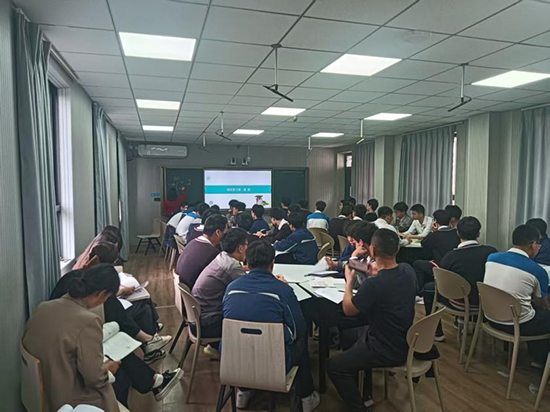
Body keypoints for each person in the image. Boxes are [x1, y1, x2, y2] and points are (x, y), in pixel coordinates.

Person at [223, 241, 320, 411]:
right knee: (301, 342)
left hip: (234, 360)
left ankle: (243, 391)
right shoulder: (283, 291)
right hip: (275, 362)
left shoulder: (231, 287)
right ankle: (306, 397)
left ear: (247, 263)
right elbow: (298, 329)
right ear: (272, 264)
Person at [328, 229, 416, 411]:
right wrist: (353, 260)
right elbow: (374, 270)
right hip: (405, 339)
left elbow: (348, 310)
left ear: (373, 251)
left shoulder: (374, 285)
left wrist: (349, 281)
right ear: (398, 249)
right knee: (347, 335)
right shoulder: (408, 270)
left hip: (385, 347)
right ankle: (364, 388)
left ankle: (358, 407)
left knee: (334, 366)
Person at [484, 224, 550, 366]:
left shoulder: (491, 258)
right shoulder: (537, 271)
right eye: (539, 245)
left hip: (490, 317)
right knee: (542, 314)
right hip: (517, 325)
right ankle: (541, 360)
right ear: (533, 245)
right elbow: (542, 304)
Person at [423, 216, 497, 341]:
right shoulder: (491, 252)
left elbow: (443, 282)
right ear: (478, 233)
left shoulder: (451, 256)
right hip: (485, 303)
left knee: (430, 288)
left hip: (459, 303)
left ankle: (437, 333)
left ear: (458, 233)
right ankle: (462, 321)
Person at [192, 228, 248, 356]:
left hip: (199, 317)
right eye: (246, 245)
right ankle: (233, 354)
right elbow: (250, 288)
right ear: (240, 248)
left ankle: (216, 347)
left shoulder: (222, 256)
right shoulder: (232, 266)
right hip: (208, 323)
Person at [413, 210, 460, 296]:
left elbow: (424, 243)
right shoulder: (456, 233)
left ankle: (420, 293)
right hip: (455, 267)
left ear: (435, 221)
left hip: (440, 266)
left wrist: (433, 231)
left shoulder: (435, 235)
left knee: (417, 264)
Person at [176, 214, 228, 288]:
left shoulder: (193, 242)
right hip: (195, 290)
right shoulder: (212, 253)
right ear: (218, 232)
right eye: (225, 233)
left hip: (185, 287)